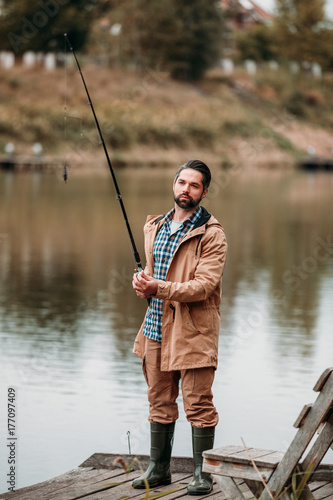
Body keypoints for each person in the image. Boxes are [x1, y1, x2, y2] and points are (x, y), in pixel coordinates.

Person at [131, 159, 228, 495]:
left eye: (194, 185)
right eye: (182, 182)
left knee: (198, 405)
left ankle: (203, 474)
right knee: (159, 401)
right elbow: (155, 273)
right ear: (174, 184)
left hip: (193, 333)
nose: (186, 189)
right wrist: (143, 281)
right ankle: (159, 470)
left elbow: (203, 286)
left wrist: (157, 287)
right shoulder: (155, 226)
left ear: (204, 191)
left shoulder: (212, 235)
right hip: (155, 328)